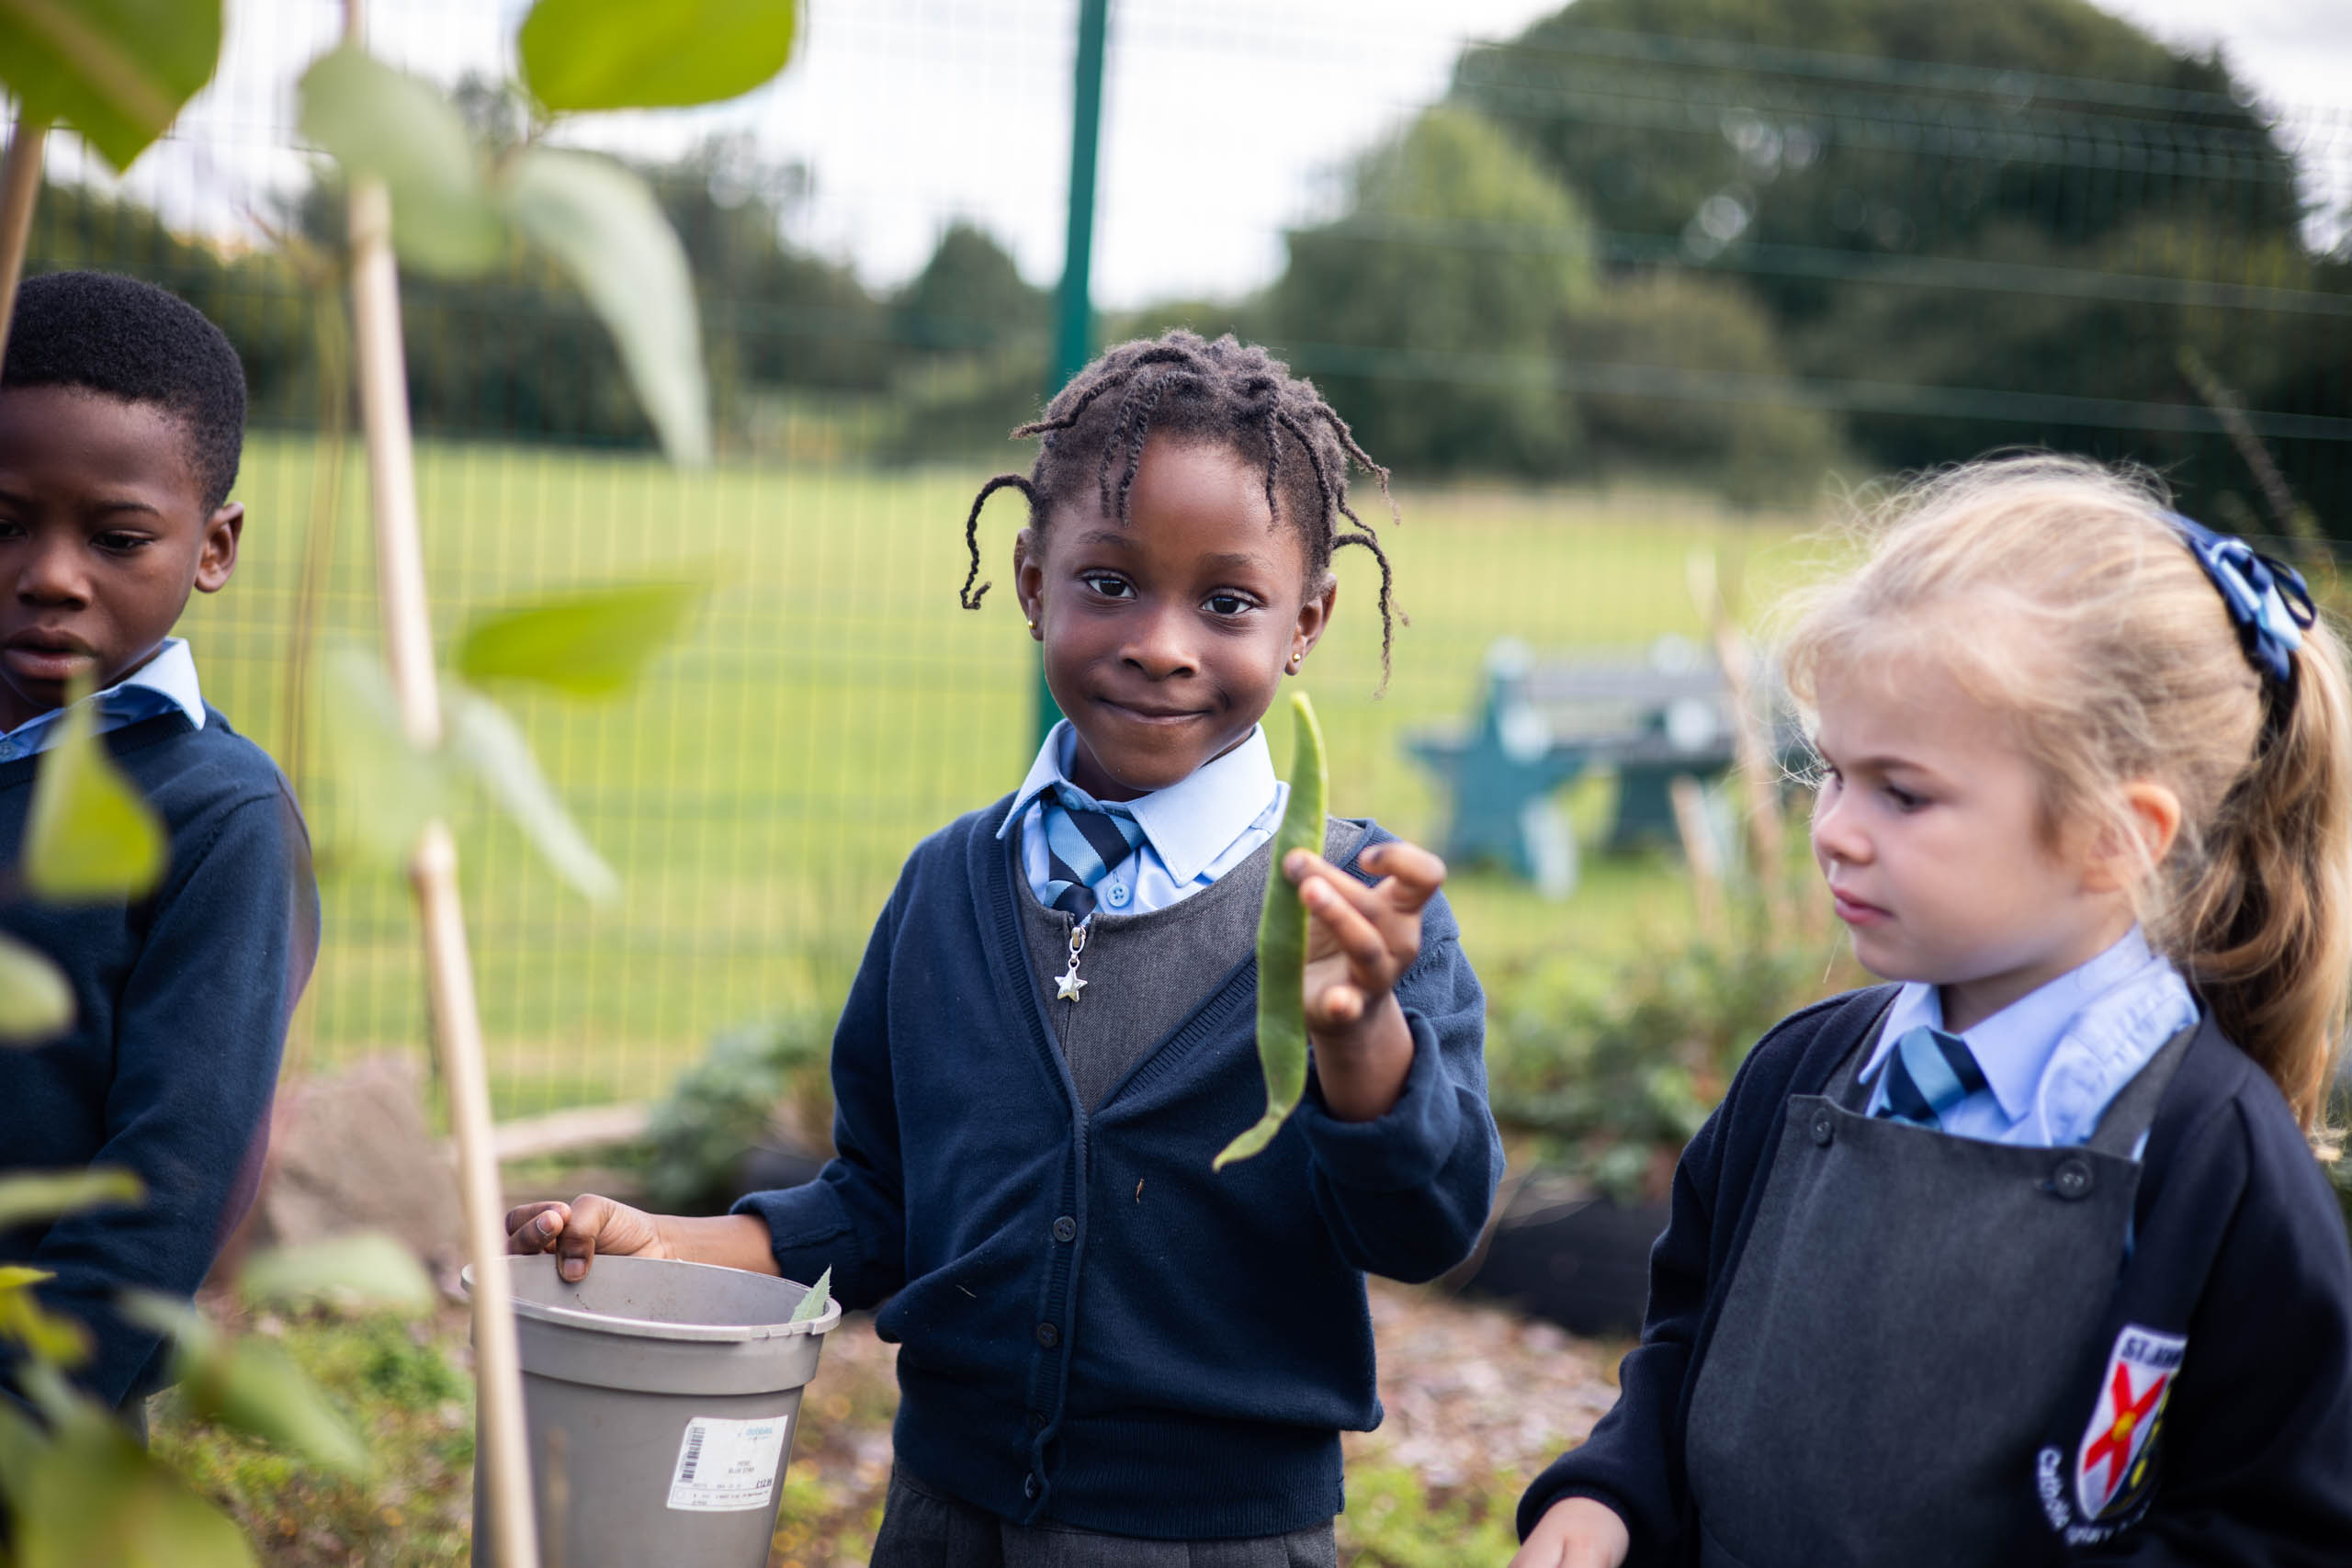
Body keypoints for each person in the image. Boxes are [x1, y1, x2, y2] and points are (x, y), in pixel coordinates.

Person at [510, 331, 1501, 1562]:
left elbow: (1426, 1229)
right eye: (1110, 582)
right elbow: (880, 1206)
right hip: (946, 1523)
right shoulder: (947, 887)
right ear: (1033, 581)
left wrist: (1358, 1044)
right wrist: (666, 1244)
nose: (1162, 641)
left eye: (1227, 602)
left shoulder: (1358, 915)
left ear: (1308, 620)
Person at [1514, 456, 2352, 1568]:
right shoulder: (1797, 1074)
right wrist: (1606, 1495)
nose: (1832, 830)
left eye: (1902, 794)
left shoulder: (2215, 1161)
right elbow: (1683, 1349)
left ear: (2116, 837)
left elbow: (2273, 1528)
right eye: (1832, 771)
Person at [0, 271, 321, 1429]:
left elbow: (175, 1181)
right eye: (3, 523)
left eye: (118, 537)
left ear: (213, 546)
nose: (50, 576)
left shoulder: (220, 819)